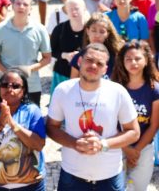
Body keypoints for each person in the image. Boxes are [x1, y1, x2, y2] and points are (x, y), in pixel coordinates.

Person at [47, 43, 140, 191]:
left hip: (110, 176)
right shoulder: (62, 90)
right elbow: (51, 127)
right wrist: (75, 143)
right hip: (72, 175)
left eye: (99, 63)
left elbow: (134, 132)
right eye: (89, 60)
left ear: (105, 69)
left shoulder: (118, 92)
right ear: (79, 62)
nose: (93, 66)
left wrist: (103, 144)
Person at [0, 68, 46, 191]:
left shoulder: (32, 112)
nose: (9, 89)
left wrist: (13, 124)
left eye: (15, 86)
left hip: (32, 186)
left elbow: (38, 145)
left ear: (23, 90)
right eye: (5, 85)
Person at [0, 0, 51, 107]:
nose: (21, 7)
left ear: (31, 8)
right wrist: (6, 71)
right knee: (5, 121)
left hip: (31, 85)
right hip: (6, 85)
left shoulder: (40, 30)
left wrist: (30, 68)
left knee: (31, 123)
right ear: (12, 5)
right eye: (18, 3)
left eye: (25, 4)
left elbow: (47, 58)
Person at [111, 41, 159, 190]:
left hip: (143, 148)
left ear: (146, 60)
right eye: (128, 59)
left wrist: (136, 151)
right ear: (122, 62)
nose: (133, 62)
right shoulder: (115, 88)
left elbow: (154, 125)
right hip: (118, 145)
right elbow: (110, 122)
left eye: (137, 58)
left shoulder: (154, 89)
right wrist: (127, 149)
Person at [50, 0, 87, 93]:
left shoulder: (90, 29)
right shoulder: (59, 29)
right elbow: (51, 51)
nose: (74, 12)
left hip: (86, 74)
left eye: (76, 8)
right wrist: (65, 55)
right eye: (70, 9)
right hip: (62, 73)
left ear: (84, 9)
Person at [70, 12, 123, 79]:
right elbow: (73, 82)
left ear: (107, 34)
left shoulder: (116, 57)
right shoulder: (78, 57)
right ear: (87, 31)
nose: (97, 35)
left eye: (102, 32)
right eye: (93, 30)